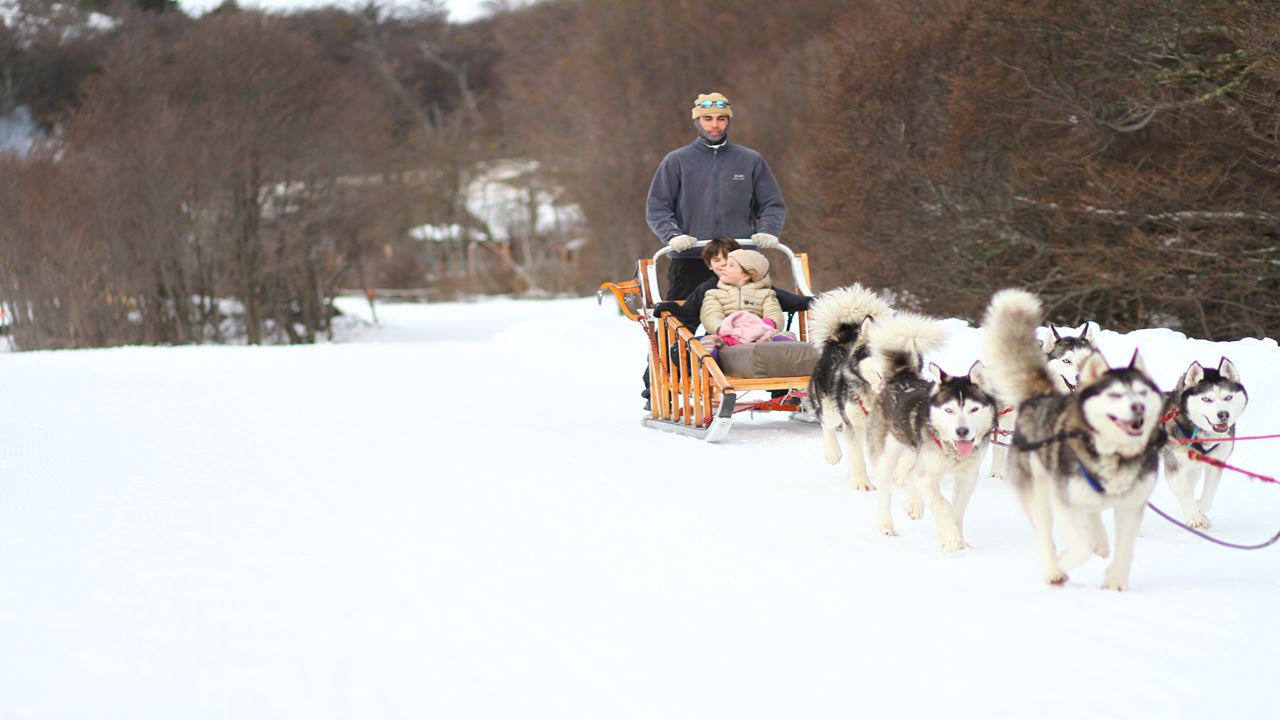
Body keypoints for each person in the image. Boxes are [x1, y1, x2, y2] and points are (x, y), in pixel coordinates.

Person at [646, 91, 787, 302]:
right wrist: (673, 236)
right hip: (692, 256)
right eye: (708, 119)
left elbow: (771, 204)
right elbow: (658, 208)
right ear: (697, 121)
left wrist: (768, 231)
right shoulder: (677, 161)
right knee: (679, 324)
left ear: (728, 121)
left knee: (748, 325)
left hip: (740, 259)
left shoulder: (750, 160)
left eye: (721, 118)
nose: (715, 125)